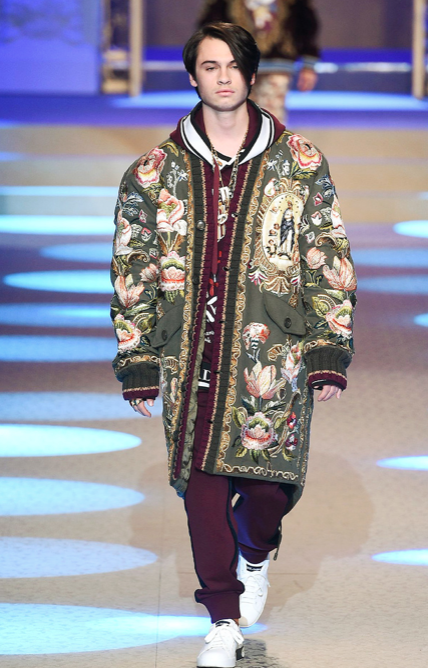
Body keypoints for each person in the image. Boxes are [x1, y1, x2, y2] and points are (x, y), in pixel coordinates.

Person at [111, 21, 356, 668]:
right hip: (186, 353)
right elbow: (133, 267)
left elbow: (326, 251)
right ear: (192, 77)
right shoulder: (153, 173)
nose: (222, 77)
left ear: (250, 74)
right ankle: (221, 617)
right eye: (209, 66)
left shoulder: (299, 163)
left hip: (274, 353)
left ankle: (255, 548)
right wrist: (137, 357)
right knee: (203, 485)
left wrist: (329, 345)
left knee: (267, 490)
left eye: (232, 66)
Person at [198, 0, 320, 122]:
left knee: (271, 116)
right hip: (237, 65)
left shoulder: (294, 3)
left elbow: (306, 29)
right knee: (237, 117)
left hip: (277, 65)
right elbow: (210, 29)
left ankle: (269, 134)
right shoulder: (223, 3)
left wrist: (308, 65)